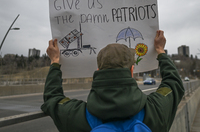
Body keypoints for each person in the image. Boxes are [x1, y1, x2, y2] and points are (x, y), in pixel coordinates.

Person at [41, 30, 185, 132]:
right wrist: (160, 51)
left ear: (98, 71)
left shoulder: (76, 117)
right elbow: (174, 84)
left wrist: (55, 62)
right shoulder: (156, 110)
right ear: (131, 71)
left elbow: (52, 98)